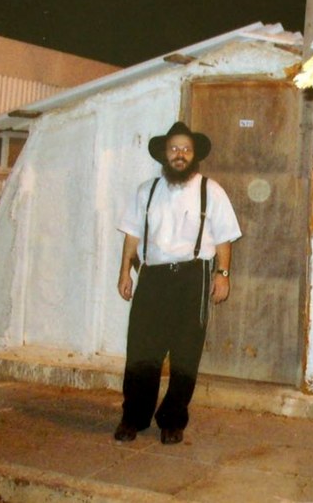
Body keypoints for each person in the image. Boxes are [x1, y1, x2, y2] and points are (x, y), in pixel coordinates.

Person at [114, 121, 241, 444]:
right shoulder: (147, 190)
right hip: (153, 276)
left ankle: (172, 420)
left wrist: (222, 274)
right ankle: (134, 418)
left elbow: (225, 238)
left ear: (194, 154)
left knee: (185, 351)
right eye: (174, 149)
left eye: (186, 149)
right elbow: (132, 234)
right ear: (164, 155)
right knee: (142, 350)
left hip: (193, 276)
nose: (180, 154)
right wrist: (124, 271)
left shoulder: (210, 191)